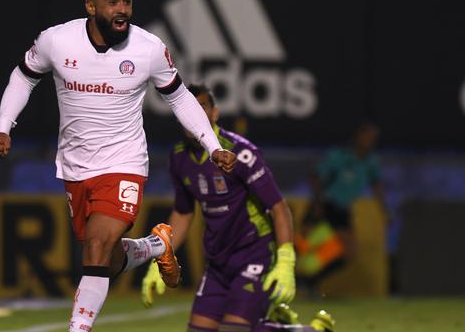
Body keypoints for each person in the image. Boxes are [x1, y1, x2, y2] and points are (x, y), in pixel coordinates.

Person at [0, 0, 236, 332]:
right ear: (90, 6)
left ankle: (78, 328)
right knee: (104, 256)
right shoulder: (57, 41)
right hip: (75, 166)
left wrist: (213, 146)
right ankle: (154, 246)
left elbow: (180, 98)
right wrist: (3, 128)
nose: (122, 9)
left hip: (124, 162)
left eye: (127, 1)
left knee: (98, 247)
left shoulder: (149, 48)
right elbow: (23, 77)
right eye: (112, 1)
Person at [141, 85, 335, 332]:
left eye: (202, 108)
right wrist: (162, 255)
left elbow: (278, 207)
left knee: (235, 330)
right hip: (218, 259)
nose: (195, 115)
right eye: (189, 110)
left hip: (254, 252)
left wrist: (286, 260)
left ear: (215, 114)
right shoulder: (179, 158)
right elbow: (183, 211)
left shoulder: (240, 152)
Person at [298, 123, 385, 282]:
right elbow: (316, 177)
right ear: (357, 136)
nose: (369, 141)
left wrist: (384, 210)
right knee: (306, 245)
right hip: (326, 205)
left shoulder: (371, 162)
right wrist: (317, 203)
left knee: (348, 253)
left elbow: (377, 184)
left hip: (343, 209)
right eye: (366, 136)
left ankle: (310, 281)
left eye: (373, 138)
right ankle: (296, 278)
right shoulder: (340, 156)